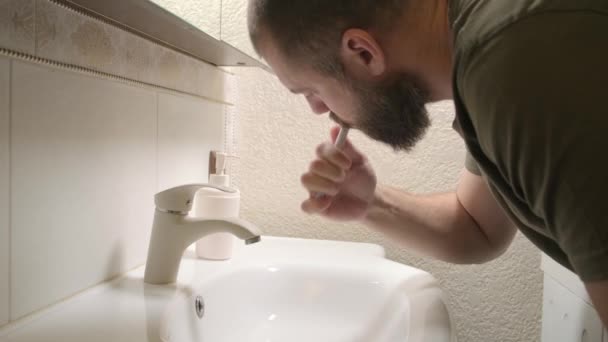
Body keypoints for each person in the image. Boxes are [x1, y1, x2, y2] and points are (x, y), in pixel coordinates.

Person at [247, 0, 608, 327]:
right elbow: (477, 227)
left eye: (310, 91)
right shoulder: (487, 54)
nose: (319, 109)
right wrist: (371, 203)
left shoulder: (515, 66)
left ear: (363, 52)